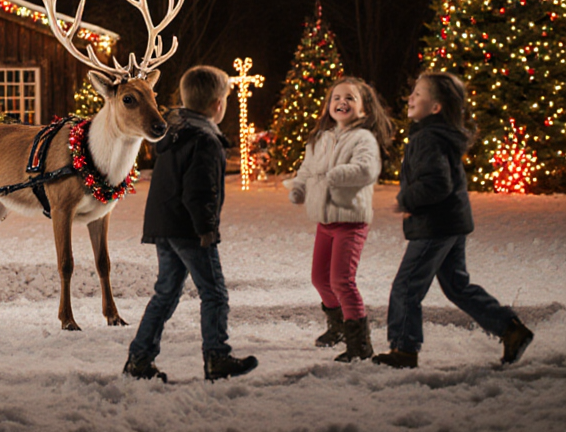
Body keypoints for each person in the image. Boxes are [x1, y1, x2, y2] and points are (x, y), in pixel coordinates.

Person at [373, 72, 535, 368]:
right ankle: (510, 329)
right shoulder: (437, 135)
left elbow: (437, 183)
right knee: (457, 286)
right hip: (450, 223)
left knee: (407, 286)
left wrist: (406, 200)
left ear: (436, 107)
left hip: (435, 226)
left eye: (418, 94)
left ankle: (404, 349)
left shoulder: (427, 138)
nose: (410, 98)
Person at [123, 65, 258, 382]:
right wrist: (206, 229)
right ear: (218, 105)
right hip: (189, 230)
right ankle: (217, 356)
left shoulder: (173, 133)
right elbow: (200, 192)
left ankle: (139, 360)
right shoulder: (205, 140)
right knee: (214, 294)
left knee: (166, 294)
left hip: (164, 226)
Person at [283, 77, 394, 362]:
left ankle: (360, 344)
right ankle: (338, 327)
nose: (341, 102)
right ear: (328, 106)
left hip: (351, 221)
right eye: (336, 97)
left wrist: (337, 174)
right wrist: (298, 187)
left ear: (365, 110)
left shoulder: (364, 139)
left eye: (350, 98)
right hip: (325, 221)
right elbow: (307, 168)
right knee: (320, 279)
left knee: (342, 280)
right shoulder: (321, 138)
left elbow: (366, 169)